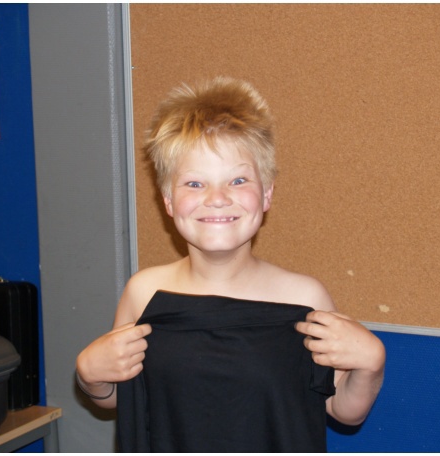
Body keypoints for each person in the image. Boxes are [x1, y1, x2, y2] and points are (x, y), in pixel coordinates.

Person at [76, 76, 385, 452]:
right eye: (195, 184)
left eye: (237, 180)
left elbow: (342, 410)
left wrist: (371, 364)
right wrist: (91, 377)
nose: (217, 198)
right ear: (168, 201)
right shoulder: (143, 293)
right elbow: (119, 394)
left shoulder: (304, 298)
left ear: (266, 194)